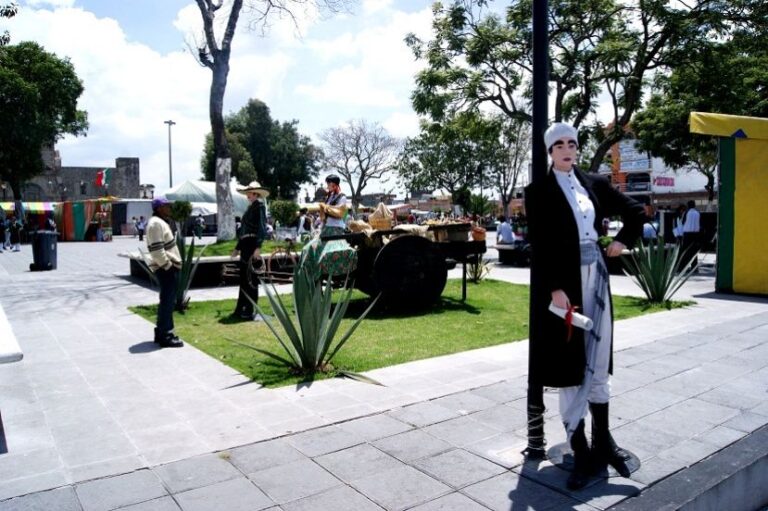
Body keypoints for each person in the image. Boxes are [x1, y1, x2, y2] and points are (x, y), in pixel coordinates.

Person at [524, 122, 646, 490]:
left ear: (577, 148)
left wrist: (621, 242)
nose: (566, 149)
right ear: (549, 151)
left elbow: (636, 211)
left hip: (597, 280)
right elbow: (540, 245)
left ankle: (603, 440)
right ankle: (579, 447)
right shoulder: (539, 192)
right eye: (558, 144)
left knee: (599, 358)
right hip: (566, 289)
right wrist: (554, 288)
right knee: (569, 365)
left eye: (571, 143)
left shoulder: (594, 183)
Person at [145, 196, 183, 348]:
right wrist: (168, 266)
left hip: (166, 267)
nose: (169, 208)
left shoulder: (159, 223)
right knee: (167, 302)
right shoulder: (155, 224)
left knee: (166, 301)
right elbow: (157, 250)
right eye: (166, 206)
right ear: (159, 208)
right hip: (165, 268)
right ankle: (166, 335)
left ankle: (163, 332)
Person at [231, 181, 269, 320]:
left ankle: (250, 308)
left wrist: (258, 247)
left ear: (255, 193)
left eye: (249, 192)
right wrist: (237, 248)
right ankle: (241, 307)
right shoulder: (250, 208)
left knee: (250, 278)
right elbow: (243, 231)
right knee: (244, 278)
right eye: (247, 192)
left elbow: (262, 227)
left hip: (252, 244)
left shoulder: (259, 206)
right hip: (246, 244)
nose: (247, 195)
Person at [681, 200, 701, 273]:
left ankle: (684, 267)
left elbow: (683, 222)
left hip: (687, 234)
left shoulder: (686, 212)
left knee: (686, 251)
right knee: (694, 251)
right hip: (695, 234)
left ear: (688, 206)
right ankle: (694, 267)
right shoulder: (698, 212)